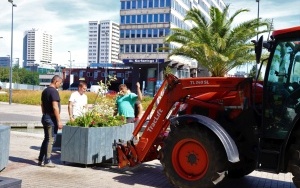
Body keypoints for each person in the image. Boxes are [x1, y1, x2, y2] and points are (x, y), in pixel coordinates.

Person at [38, 75, 63, 167]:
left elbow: (42, 105)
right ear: (56, 81)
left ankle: (40, 159)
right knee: (51, 139)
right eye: (60, 83)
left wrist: (45, 114)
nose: (59, 85)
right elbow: (55, 107)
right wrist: (59, 120)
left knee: (46, 139)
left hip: (45, 117)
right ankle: (47, 161)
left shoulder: (45, 91)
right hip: (51, 119)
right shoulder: (54, 92)